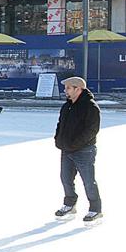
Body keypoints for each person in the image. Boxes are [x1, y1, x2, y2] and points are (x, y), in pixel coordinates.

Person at [54, 76, 102, 225]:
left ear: (78, 89)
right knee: (65, 178)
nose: (65, 90)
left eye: (68, 88)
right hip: (66, 149)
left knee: (88, 181)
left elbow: (92, 130)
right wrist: (58, 139)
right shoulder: (66, 106)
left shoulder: (91, 107)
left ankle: (96, 209)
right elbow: (60, 124)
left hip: (84, 151)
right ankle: (69, 204)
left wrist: (75, 144)